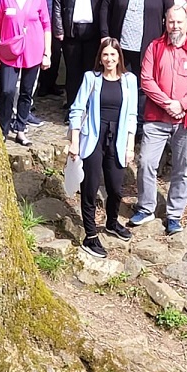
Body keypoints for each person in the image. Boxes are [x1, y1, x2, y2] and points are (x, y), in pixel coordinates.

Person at [130, 6, 187, 235]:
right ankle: (146, 208)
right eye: (171, 22)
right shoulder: (154, 47)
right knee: (146, 162)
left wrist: (182, 104)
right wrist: (168, 104)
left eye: (179, 22)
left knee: (183, 168)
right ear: (166, 22)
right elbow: (146, 80)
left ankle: (174, 215)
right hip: (157, 117)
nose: (175, 26)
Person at [68, 37, 138, 259]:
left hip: (117, 138)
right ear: (100, 57)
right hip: (93, 139)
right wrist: (75, 141)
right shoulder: (91, 78)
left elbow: (132, 116)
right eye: (105, 54)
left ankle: (111, 222)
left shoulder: (129, 81)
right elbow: (77, 110)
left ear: (119, 57)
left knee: (116, 188)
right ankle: (90, 235)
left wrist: (129, 146)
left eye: (113, 55)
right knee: (90, 187)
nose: (109, 59)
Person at [0, 0, 52, 145]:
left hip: (33, 50)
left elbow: (46, 24)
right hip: (10, 51)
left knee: (26, 92)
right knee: (7, 90)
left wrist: (47, 52)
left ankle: (21, 128)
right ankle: (3, 127)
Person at [52, 0, 110, 105]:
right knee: (73, 72)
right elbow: (57, 2)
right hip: (72, 32)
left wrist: (106, 33)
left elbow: (109, 5)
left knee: (91, 72)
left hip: (94, 33)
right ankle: (73, 107)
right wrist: (59, 29)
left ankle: (89, 106)